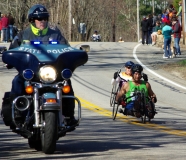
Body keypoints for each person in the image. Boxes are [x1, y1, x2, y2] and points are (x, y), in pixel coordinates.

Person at [7, 4, 77, 127]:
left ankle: (69, 115)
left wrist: (73, 57)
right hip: (30, 73)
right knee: (17, 81)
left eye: (45, 18)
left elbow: (67, 49)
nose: (43, 21)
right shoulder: (23, 35)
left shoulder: (56, 35)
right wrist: (9, 58)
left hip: (52, 73)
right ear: (32, 20)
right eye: (40, 19)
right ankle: (18, 111)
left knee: (67, 83)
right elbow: (12, 50)